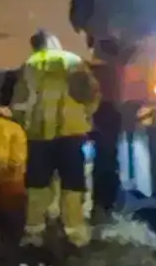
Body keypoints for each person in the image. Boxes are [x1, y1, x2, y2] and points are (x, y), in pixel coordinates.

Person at [13, 29, 100, 248]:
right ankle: (75, 235)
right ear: (55, 43)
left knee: (37, 185)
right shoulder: (73, 61)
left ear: (36, 46)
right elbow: (91, 95)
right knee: (73, 184)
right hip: (72, 134)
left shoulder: (30, 65)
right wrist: (84, 118)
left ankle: (34, 234)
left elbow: (18, 103)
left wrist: (26, 125)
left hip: (39, 136)